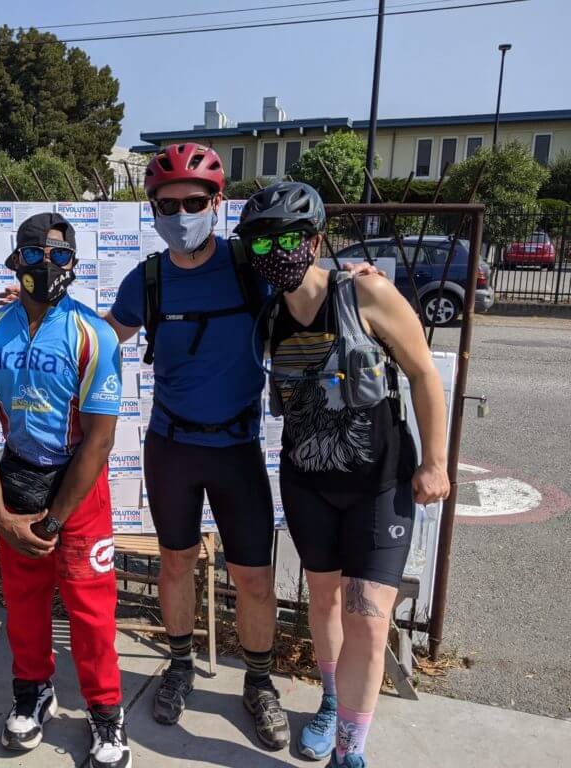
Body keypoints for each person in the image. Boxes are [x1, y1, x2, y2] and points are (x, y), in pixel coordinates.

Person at [235, 181, 450, 768]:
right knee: (324, 603)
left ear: (316, 240)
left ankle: (350, 752)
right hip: (308, 484)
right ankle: (332, 704)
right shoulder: (269, 312)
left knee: (369, 620)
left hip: (379, 484)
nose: (274, 251)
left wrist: (435, 461)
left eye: (289, 238)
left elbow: (424, 374)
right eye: (260, 244)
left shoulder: (365, 294)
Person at [105, 142, 292, 748]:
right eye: (167, 204)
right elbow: (104, 337)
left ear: (218, 203)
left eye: (193, 201)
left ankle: (259, 683)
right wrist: (36, 312)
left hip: (237, 448)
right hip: (172, 448)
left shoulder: (248, 267)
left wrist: (355, 283)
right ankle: (181, 664)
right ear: (153, 209)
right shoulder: (149, 278)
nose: (181, 214)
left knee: (255, 577)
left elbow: (308, 299)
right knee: (177, 562)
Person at [0, 213, 131, 768]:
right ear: (16, 259)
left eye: (59, 256)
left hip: (80, 492)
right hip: (18, 484)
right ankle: (31, 693)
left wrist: (54, 522)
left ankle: (106, 715)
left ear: (74, 265)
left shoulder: (95, 334)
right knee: (24, 603)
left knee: (88, 607)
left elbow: (101, 442)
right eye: (33, 254)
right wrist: (1, 516)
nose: (45, 266)